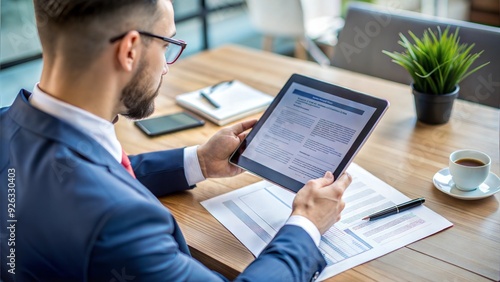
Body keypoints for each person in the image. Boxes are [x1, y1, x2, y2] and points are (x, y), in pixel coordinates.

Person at [0, 0, 352, 281]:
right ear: (130, 51)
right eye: (167, 44)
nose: (167, 66)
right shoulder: (120, 221)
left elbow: (83, 171)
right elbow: (99, 193)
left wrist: (198, 161)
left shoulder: (8, 124)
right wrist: (306, 224)